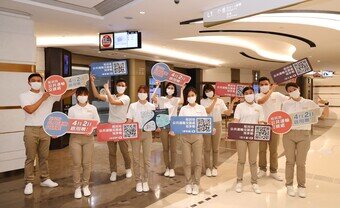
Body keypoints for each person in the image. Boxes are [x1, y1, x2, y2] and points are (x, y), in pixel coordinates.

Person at [19, 73, 75, 195]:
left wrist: (76, 85)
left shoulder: (49, 95)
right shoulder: (24, 96)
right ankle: (29, 182)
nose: (36, 82)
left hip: (45, 129)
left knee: (44, 157)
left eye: (39, 80)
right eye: (33, 80)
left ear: (43, 82)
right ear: (29, 82)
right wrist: (43, 98)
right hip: (30, 129)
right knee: (30, 157)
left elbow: (66, 94)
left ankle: (45, 179)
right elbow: (30, 110)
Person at [282, 82, 322, 198]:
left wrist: (325, 105)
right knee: (290, 161)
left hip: (304, 135)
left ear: (298, 89)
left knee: (301, 162)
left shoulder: (308, 102)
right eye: (289, 91)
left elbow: (319, 114)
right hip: (289, 134)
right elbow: (282, 119)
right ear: (288, 93)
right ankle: (289, 185)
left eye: (294, 89)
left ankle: (301, 186)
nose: (292, 92)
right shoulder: (286, 104)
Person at [90, 75, 132, 182]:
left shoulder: (126, 98)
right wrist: (92, 82)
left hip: (122, 127)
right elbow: (96, 95)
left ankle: (128, 169)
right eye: (119, 85)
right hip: (111, 127)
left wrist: (107, 90)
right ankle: (113, 171)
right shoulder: (111, 95)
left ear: (125, 87)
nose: (120, 87)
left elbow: (114, 102)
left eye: (122, 85)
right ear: (116, 86)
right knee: (112, 152)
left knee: (125, 151)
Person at [68, 87, 100, 199]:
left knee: (87, 163)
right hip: (75, 139)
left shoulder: (92, 108)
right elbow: (69, 124)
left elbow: (97, 122)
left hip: (89, 139)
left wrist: (92, 129)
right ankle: (77, 187)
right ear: (76, 96)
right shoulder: (72, 109)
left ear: (87, 95)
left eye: (84, 94)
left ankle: (85, 186)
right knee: (76, 163)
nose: (82, 96)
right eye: (80, 94)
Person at [200, 84, 238, 177]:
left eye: (210, 90)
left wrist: (232, 103)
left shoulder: (220, 101)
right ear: (204, 92)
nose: (208, 92)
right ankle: (208, 167)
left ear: (213, 90)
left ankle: (215, 167)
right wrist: (214, 101)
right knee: (207, 148)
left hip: (217, 124)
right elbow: (208, 111)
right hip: (206, 124)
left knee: (216, 148)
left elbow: (228, 112)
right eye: (206, 91)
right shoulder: (203, 101)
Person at [176, 87, 207, 195]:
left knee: (198, 162)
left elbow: (205, 123)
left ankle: (196, 183)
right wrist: (174, 129)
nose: (190, 97)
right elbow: (179, 122)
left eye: (192, 95)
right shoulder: (184, 109)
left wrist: (211, 129)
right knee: (187, 162)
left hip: (198, 137)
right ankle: (188, 183)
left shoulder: (201, 108)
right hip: (185, 137)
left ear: (196, 96)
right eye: (188, 96)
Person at [233, 86, 265, 194]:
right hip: (241, 136)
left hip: (254, 136)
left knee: (253, 161)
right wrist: (232, 129)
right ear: (243, 95)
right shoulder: (240, 106)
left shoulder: (259, 107)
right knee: (241, 160)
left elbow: (261, 121)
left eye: (250, 92)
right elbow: (236, 120)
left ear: (254, 94)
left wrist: (264, 126)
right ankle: (239, 181)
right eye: (246, 93)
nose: (249, 95)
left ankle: (254, 182)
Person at [255, 77, 288, 181]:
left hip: (275, 126)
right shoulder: (257, 95)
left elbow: (290, 99)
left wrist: (293, 84)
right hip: (262, 126)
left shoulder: (277, 95)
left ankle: (274, 171)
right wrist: (271, 90)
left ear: (269, 84)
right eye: (261, 84)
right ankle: (262, 169)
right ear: (259, 86)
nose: (264, 86)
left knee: (274, 150)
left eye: (266, 84)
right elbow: (261, 102)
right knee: (262, 150)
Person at [126, 85, 155, 193]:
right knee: (136, 158)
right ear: (138, 93)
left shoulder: (151, 106)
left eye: (144, 92)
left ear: (147, 94)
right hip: (135, 134)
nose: (142, 94)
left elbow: (155, 121)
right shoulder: (133, 106)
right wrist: (120, 132)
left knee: (147, 159)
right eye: (140, 91)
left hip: (147, 133)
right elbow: (129, 121)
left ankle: (146, 180)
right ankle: (138, 181)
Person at [152, 82, 184, 178]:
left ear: (174, 90)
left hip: (174, 124)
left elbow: (182, 101)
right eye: (168, 87)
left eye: (172, 88)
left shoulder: (176, 99)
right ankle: (167, 167)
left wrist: (182, 89)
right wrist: (157, 85)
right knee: (165, 148)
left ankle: (172, 168)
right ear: (166, 89)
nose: (170, 89)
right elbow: (153, 97)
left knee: (173, 149)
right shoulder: (161, 99)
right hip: (163, 123)